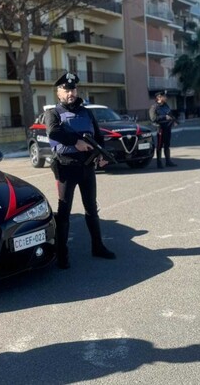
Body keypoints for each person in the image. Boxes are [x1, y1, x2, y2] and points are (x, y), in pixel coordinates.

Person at [44, 72, 116, 269]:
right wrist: (76, 142)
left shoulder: (86, 112)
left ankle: (98, 246)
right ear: (58, 93)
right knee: (64, 212)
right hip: (66, 168)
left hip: (86, 168)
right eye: (66, 90)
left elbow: (98, 136)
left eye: (73, 89)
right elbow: (54, 132)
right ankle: (62, 254)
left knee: (91, 209)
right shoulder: (53, 113)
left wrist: (101, 155)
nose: (70, 93)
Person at [148, 91, 179, 168]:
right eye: (164, 96)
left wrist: (174, 121)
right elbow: (153, 119)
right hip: (160, 128)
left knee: (167, 145)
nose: (166, 98)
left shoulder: (166, 106)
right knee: (159, 145)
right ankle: (159, 162)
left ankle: (168, 161)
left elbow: (170, 114)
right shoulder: (154, 107)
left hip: (168, 127)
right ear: (159, 97)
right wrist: (164, 117)